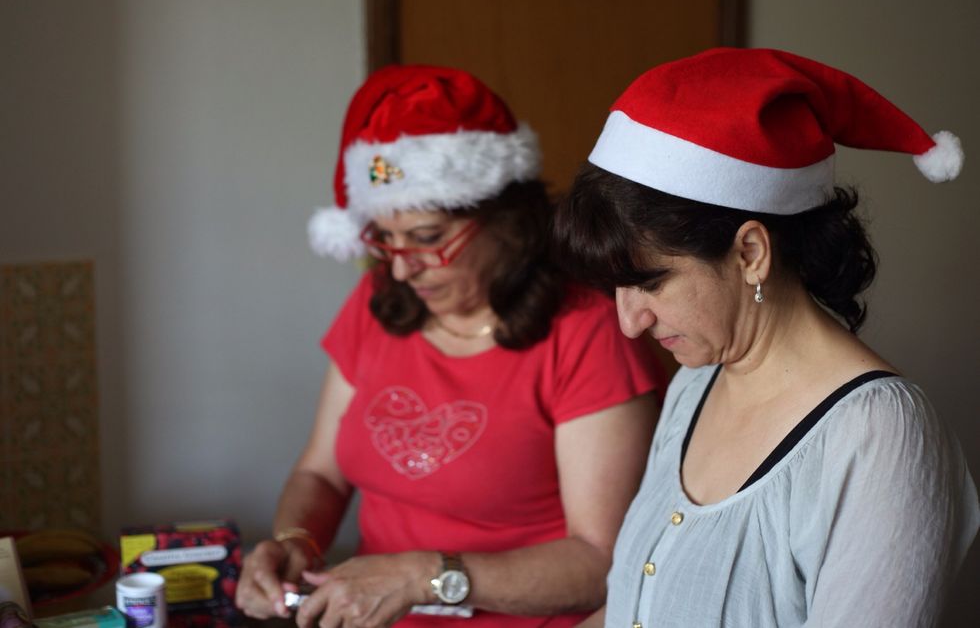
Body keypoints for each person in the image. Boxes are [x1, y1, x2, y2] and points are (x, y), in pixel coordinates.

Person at [551, 48, 979, 627]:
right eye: (615, 289)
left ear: (751, 253)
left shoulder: (879, 436)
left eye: (650, 283)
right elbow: (639, 607)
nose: (630, 323)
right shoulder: (695, 384)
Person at [234, 64, 665, 628]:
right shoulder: (379, 301)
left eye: (427, 238)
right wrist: (297, 541)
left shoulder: (587, 331)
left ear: (507, 222)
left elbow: (600, 561)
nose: (402, 268)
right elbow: (321, 473)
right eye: (385, 240)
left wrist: (424, 576)